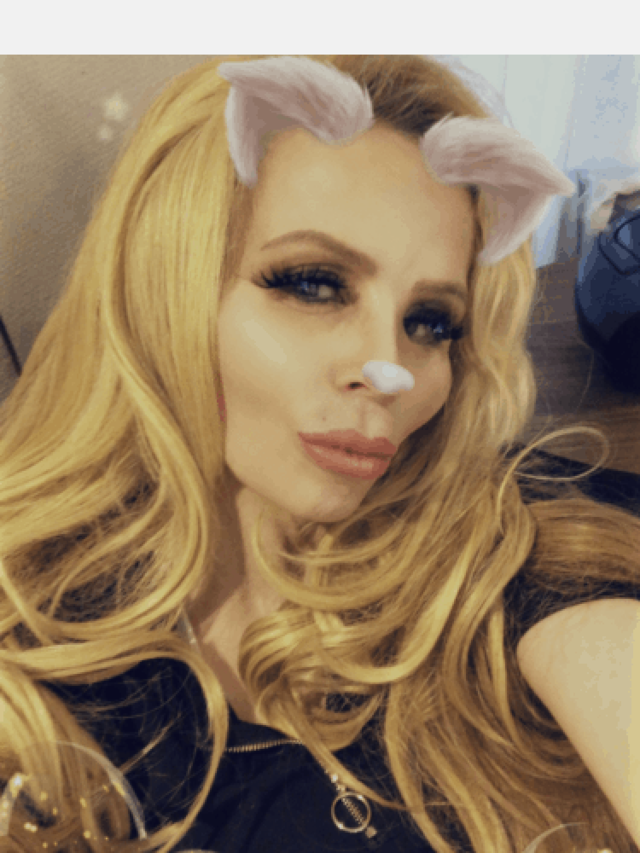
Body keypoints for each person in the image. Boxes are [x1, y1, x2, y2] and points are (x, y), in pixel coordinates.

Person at [0, 54, 639, 853]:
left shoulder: (506, 547)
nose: (390, 369)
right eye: (313, 283)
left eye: (431, 321)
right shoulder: (39, 671)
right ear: (164, 283)